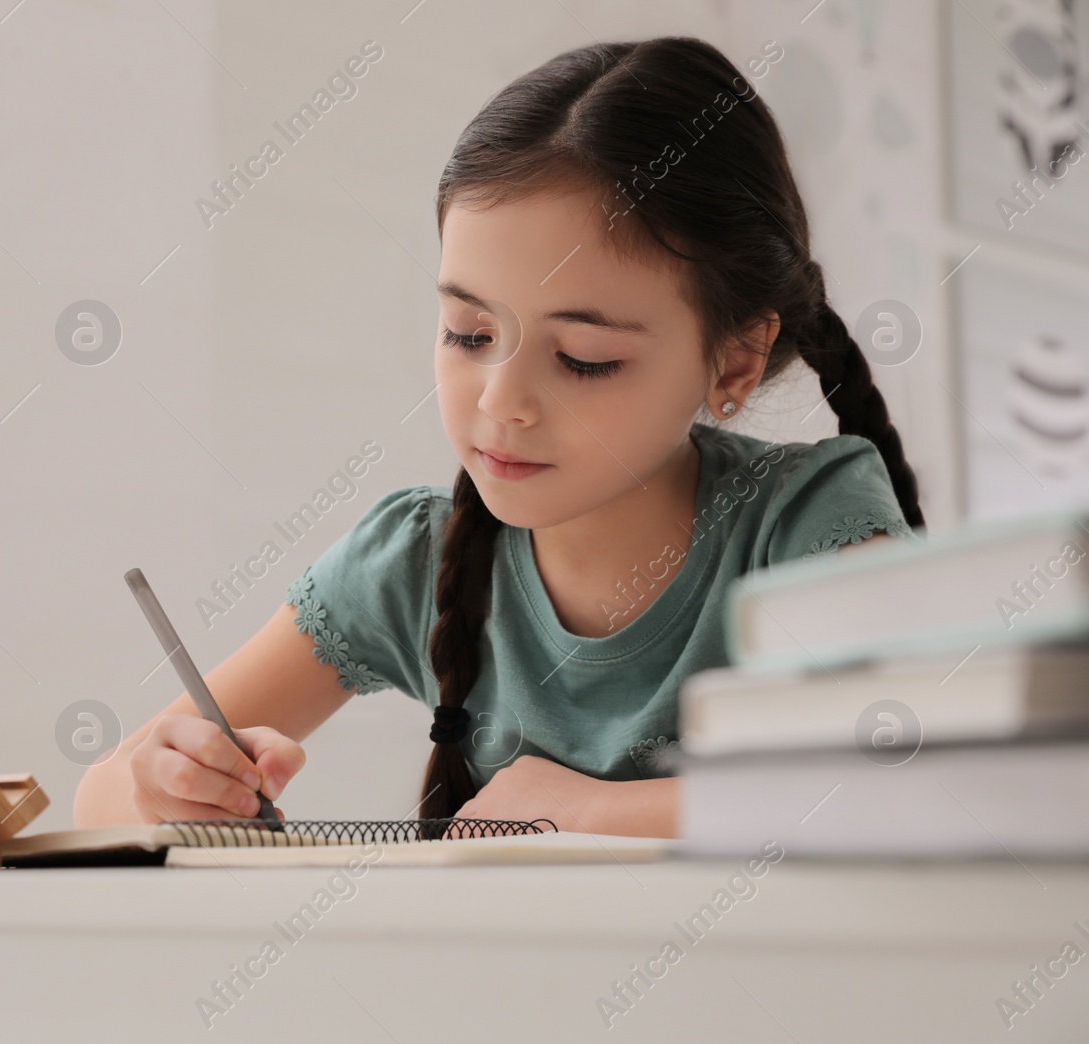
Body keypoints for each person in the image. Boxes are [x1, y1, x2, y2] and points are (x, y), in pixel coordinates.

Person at [74, 36, 923, 838]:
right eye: (469, 334)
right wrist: (164, 784)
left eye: (584, 358)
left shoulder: (804, 521)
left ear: (735, 361)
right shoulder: (411, 562)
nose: (503, 402)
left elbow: (907, 781)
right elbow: (99, 798)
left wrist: (586, 811)